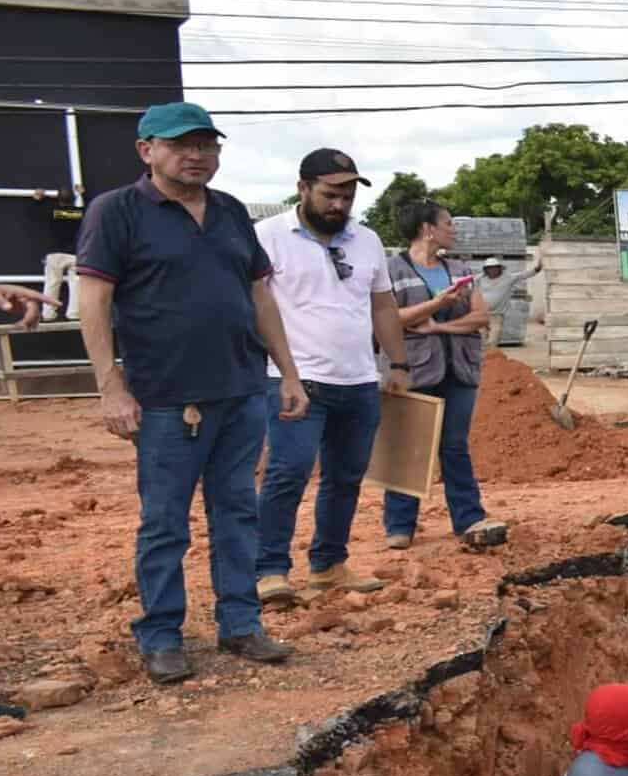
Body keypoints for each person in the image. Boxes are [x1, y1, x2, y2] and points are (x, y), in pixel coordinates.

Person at [73, 102, 307, 684]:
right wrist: (110, 388)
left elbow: (259, 299)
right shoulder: (117, 212)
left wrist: (288, 373)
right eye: (182, 144)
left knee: (236, 514)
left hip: (241, 391)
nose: (197, 155)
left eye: (207, 144)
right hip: (164, 400)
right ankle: (160, 636)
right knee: (165, 524)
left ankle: (241, 625)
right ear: (146, 150)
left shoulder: (230, 211)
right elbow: (94, 302)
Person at [253, 150, 412, 605]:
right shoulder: (267, 237)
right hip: (294, 380)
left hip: (358, 380)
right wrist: (282, 372)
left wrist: (397, 364)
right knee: (288, 473)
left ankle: (328, 563)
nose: (339, 204)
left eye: (347, 195)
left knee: (346, 476)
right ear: (303, 188)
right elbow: (255, 305)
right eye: (329, 194)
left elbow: (382, 305)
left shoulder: (367, 240)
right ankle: (269, 570)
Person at [381, 199, 506, 550]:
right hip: (412, 370)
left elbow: (481, 317)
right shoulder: (391, 270)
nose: (455, 229)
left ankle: (468, 518)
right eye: (449, 223)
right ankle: (399, 525)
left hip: (460, 368)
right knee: (408, 447)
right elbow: (388, 319)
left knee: (454, 446)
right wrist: (437, 305)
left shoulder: (459, 268)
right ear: (427, 229)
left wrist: (438, 327)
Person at [479, 252, 543, 346]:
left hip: (496, 315)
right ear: (485, 270)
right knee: (480, 339)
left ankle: (490, 358)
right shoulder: (479, 279)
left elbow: (524, 275)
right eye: (489, 268)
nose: (492, 270)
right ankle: (480, 359)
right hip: (481, 314)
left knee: (493, 339)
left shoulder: (508, 278)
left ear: (499, 268)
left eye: (494, 267)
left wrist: (537, 268)